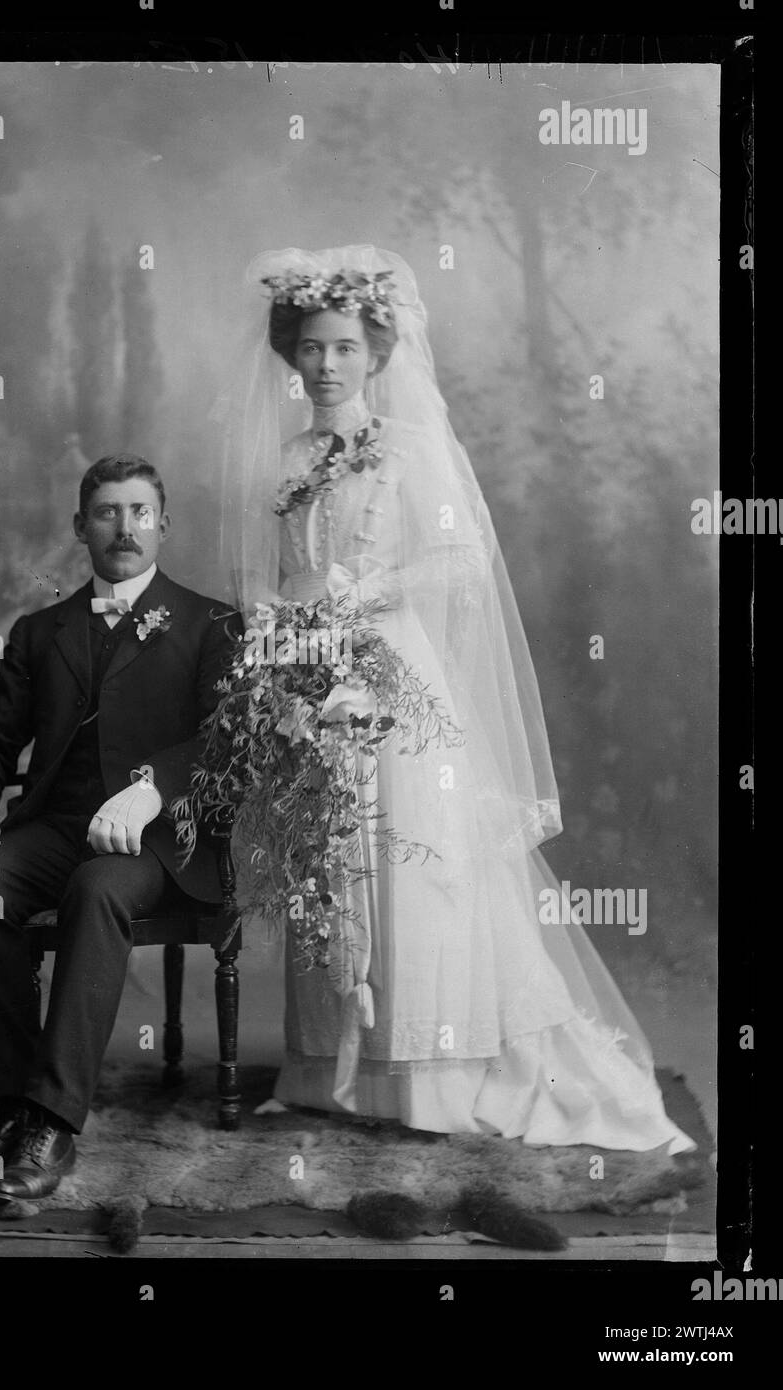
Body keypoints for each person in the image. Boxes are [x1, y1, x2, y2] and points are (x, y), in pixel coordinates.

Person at [218, 245, 694, 1152]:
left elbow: (459, 560)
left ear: (378, 355)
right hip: (309, 680)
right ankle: (330, 1076)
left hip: (394, 673)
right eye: (312, 348)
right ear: (291, 354)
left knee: (411, 865)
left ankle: (426, 1081)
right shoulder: (284, 463)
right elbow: (278, 574)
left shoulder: (410, 451)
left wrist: (360, 600)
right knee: (328, 866)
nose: (326, 365)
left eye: (345, 348)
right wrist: (284, 635)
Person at [0, 453, 242, 1213]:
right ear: (82, 527)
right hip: (58, 826)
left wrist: (152, 792)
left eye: (140, 511)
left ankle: (50, 1123)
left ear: (164, 525)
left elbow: (228, 743)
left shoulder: (212, 624)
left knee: (98, 888)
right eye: (107, 512)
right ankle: (10, 1108)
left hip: (158, 841)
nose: (125, 527)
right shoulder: (41, 631)